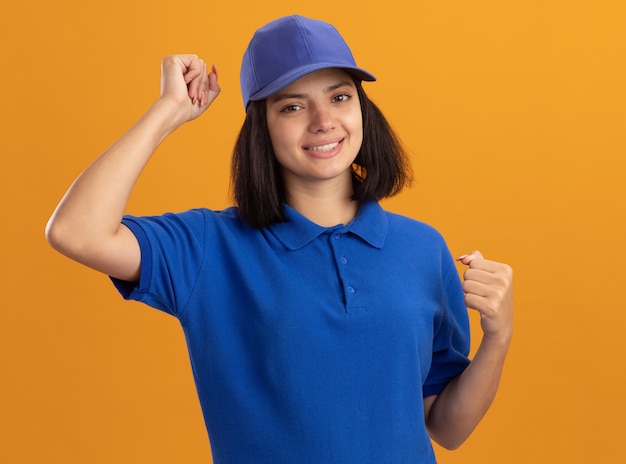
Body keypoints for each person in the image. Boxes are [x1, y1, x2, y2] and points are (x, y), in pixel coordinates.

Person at [46, 14, 513, 464]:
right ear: (261, 129)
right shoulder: (210, 247)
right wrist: (167, 113)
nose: (323, 121)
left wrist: (498, 336)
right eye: (292, 106)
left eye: (340, 97)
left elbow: (447, 429)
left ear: (362, 108)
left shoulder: (423, 249)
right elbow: (76, 231)